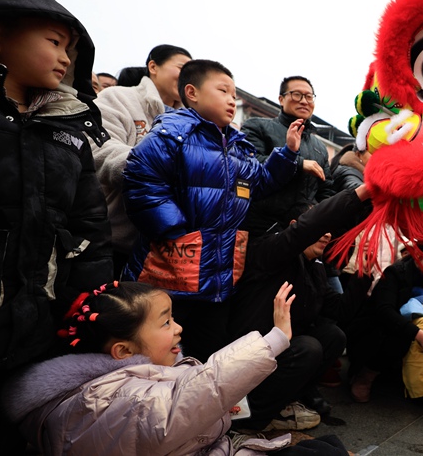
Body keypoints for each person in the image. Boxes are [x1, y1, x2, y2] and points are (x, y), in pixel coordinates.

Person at [0, 0, 114, 453]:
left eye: (71, 47)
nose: (67, 58)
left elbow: (89, 225)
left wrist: (90, 311)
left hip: (36, 328)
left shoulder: (67, 131)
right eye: (54, 42)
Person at [122, 59, 301, 363]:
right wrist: (174, 229)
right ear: (191, 92)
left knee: (207, 353)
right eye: (223, 90)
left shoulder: (238, 146)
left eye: (234, 93)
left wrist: (287, 154)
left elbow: (261, 181)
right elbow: (141, 175)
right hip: (170, 273)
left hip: (218, 279)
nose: (232, 99)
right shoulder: (174, 132)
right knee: (156, 355)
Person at [2, 280, 306, 455]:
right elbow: (186, 402)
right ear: (124, 350)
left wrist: (217, 410)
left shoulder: (121, 382)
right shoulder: (114, 399)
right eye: (166, 322)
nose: (178, 328)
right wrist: (275, 339)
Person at [230, 185, 372, 427]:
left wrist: (362, 274)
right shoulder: (271, 250)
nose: (327, 235)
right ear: (297, 225)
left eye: (330, 230)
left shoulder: (315, 266)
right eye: (321, 228)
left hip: (283, 349)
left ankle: (286, 402)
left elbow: (339, 310)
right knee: (309, 347)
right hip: (249, 349)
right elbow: (301, 232)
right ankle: (250, 423)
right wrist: (363, 192)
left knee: (333, 336)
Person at [91, 44, 192, 275]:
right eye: (181, 67)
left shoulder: (191, 121)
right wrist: (160, 168)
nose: (187, 76)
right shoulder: (118, 97)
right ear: (153, 66)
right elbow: (98, 151)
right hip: (109, 241)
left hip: (161, 252)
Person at [346, 240, 423, 403]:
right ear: (419, 254)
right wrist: (419, 334)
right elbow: (385, 312)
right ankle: (365, 376)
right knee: (405, 335)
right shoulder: (394, 273)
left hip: (405, 332)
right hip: (373, 335)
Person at [241, 75, 335, 235]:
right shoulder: (257, 127)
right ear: (281, 99)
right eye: (297, 94)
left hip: (303, 232)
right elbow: (250, 165)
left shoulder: (319, 147)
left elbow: (326, 190)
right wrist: (298, 163)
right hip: (261, 230)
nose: (304, 101)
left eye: (309, 96)